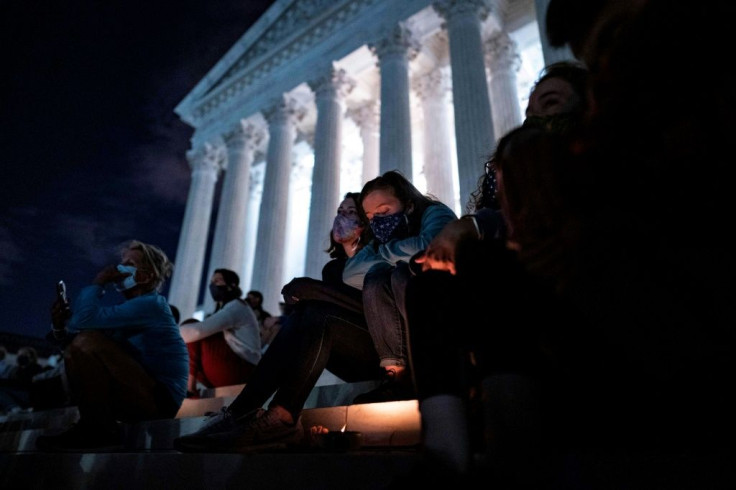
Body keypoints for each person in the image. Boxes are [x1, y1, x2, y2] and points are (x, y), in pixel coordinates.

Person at [402, 62, 590, 482]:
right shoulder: (511, 165)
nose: (536, 116)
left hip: (578, 286)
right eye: (530, 109)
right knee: (427, 287)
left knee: (488, 264)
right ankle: (445, 456)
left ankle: (513, 454)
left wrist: (475, 227)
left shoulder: (599, 154)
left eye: (553, 100)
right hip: (519, 281)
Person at [173, 192, 382, 452]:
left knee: (316, 312)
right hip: (347, 352)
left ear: (366, 222)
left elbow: (374, 310)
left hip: (380, 353)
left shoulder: (378, 258)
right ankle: (240, 413)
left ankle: (281, 417)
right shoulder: (334, 269)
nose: (342, 217)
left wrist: (313, 291)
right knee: (305, 316)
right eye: (339, 211)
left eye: (351, 212)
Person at [35, 239, 188, 452]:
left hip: (160, 399)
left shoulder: (152, 305)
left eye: (130, 264)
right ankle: (92, 425)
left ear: (147, 275)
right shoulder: (129, 310)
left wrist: (99, 282)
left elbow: (84, 324)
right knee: (80, 346)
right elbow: (76, 350)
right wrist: (59, 327)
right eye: (121, 262)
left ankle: (99, 430)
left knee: (87, 341)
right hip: (140, 391)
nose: (118, 269)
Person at [350, 170, 458, 404]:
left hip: (448, 300)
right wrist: (395, 255)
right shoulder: (380, 239)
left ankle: (434, 363)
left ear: (408, 205)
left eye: (384, 211)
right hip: (402, 303)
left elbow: (430, 245)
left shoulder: (434, 213)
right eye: (370, 217)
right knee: (375, 279)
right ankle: (395, 375)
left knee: (401, 274)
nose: (377, 221)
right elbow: (351, 273)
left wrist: (386, 252)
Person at [179, 268, 261, 396]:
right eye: (212, 282)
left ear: (231, 285)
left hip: (242, 370)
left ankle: (190, 389)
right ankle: (189, 387)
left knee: (191, 326)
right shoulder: (227, 307)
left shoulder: (237, 306)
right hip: (232, 370)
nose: (213, 285)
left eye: (218, 281)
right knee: (192, 331)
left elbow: (197, 331)